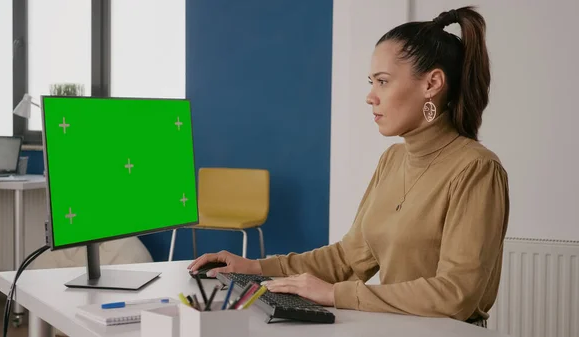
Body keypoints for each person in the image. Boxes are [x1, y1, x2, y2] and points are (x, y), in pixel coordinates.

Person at [188, 6, 509, 328]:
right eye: (371, 82)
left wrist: (335, 294)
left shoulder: (476, 169)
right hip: (398, 326)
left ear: (432, 83)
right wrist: (255, 267)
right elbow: (348, 257)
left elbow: (457, 294)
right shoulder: (393, 159)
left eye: (383, 82)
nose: (371, 96)